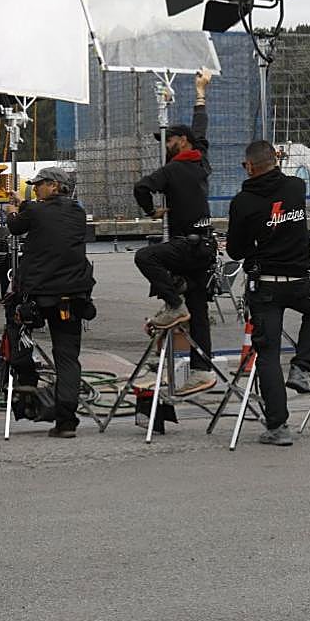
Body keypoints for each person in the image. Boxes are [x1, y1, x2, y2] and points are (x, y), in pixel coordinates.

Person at [226, 140, 310, 446]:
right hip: (298, 280)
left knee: (268, 354)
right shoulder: (295, 187)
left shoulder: (242, 201)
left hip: (265, 284)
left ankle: (278, 426)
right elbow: (276, 183)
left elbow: (235, 249)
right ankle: (302, 367)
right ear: (276, 159)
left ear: (249, 166)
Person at [132, 69, 218, 396]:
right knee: (199, 310)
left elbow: (141, 187)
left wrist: (151, 211)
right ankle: (202, 370)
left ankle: (172, 304)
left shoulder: (172, 169)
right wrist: (200, 92)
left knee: (145, 257)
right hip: (205, 246)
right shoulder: (201, 160)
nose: (166, 146)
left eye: (169, 140)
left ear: (180, 141)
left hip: (185, 245)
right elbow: (201, 128)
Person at [5, 167, 95, 438]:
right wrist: (26, 205)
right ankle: (67, 421)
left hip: (39, 294)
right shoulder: (77, 212)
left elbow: (16, 226)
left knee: (16, 333)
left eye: (40, 184)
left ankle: (27, 386)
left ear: (55, 186)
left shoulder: (34, 210)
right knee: (67, 357)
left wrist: (13, 208)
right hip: (74, 294)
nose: (35, 188)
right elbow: (47, 219)